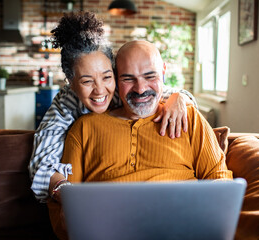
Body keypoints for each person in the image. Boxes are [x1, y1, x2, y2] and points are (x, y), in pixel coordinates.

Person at [48, 40, 232, 239]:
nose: (140, 88)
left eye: (149, 76)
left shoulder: (190, 118)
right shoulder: (84, 128)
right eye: (128, 79)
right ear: (116, 80)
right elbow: (66, 203)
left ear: (163, 71)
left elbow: (220, 182)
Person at [28, 12, 198, 203]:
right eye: (86, 81)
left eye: (107, 77)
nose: (100, 90)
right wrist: (66, 192)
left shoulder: (124, 90)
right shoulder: (66, 103)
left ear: (115, 73)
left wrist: (180, 97)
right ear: (70, 82)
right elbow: (43, 163)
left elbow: (157, 91)